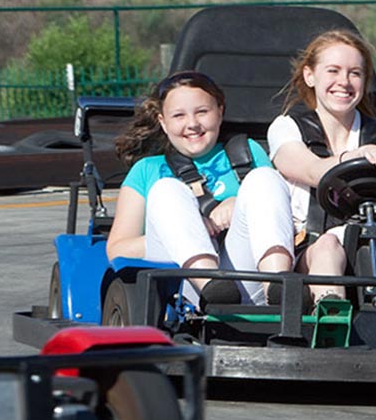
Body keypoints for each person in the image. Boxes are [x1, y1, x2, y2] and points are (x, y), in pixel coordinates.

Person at [267, 29, 376, 315]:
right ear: (310, 76)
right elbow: (312, 170)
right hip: (313, 248)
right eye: (333, 71)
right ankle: (331, 320)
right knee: (327, 244)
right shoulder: (286, 128)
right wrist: (354, 157)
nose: (344, 82)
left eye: (354, 73)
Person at [107, 71, 294, 306]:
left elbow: (277, 216)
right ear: (163, 122)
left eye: (202, 112)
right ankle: (208, 281)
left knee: (265, 178)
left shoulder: (247, 153)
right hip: (181, 286)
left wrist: (238, 204)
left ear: (220, 111)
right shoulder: (146, 170)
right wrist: (188, 227)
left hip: (246, 276)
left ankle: (280, 285)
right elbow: (117, 249)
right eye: (179, 116)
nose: (192, 124)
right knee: (166, 190)